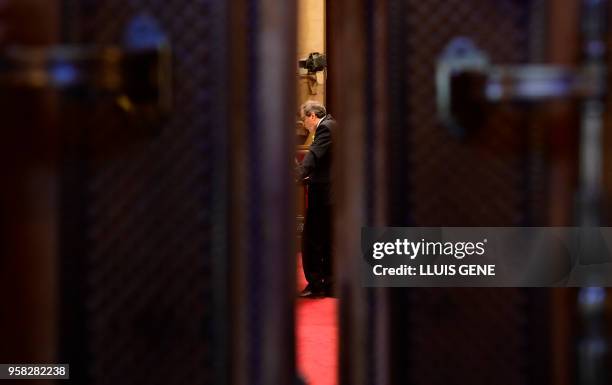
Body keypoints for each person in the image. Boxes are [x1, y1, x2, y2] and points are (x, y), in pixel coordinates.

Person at [296, 101, 336, 298]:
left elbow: (313, 156)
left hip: (325, 194)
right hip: (331, 193)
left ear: (312, 116)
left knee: (312, 239)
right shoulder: (332, 125)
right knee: (329, 239)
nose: (304, 125)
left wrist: (297, 174)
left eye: (304, 120)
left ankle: (316, 284)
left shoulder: (325, 128)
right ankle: (329, 284)